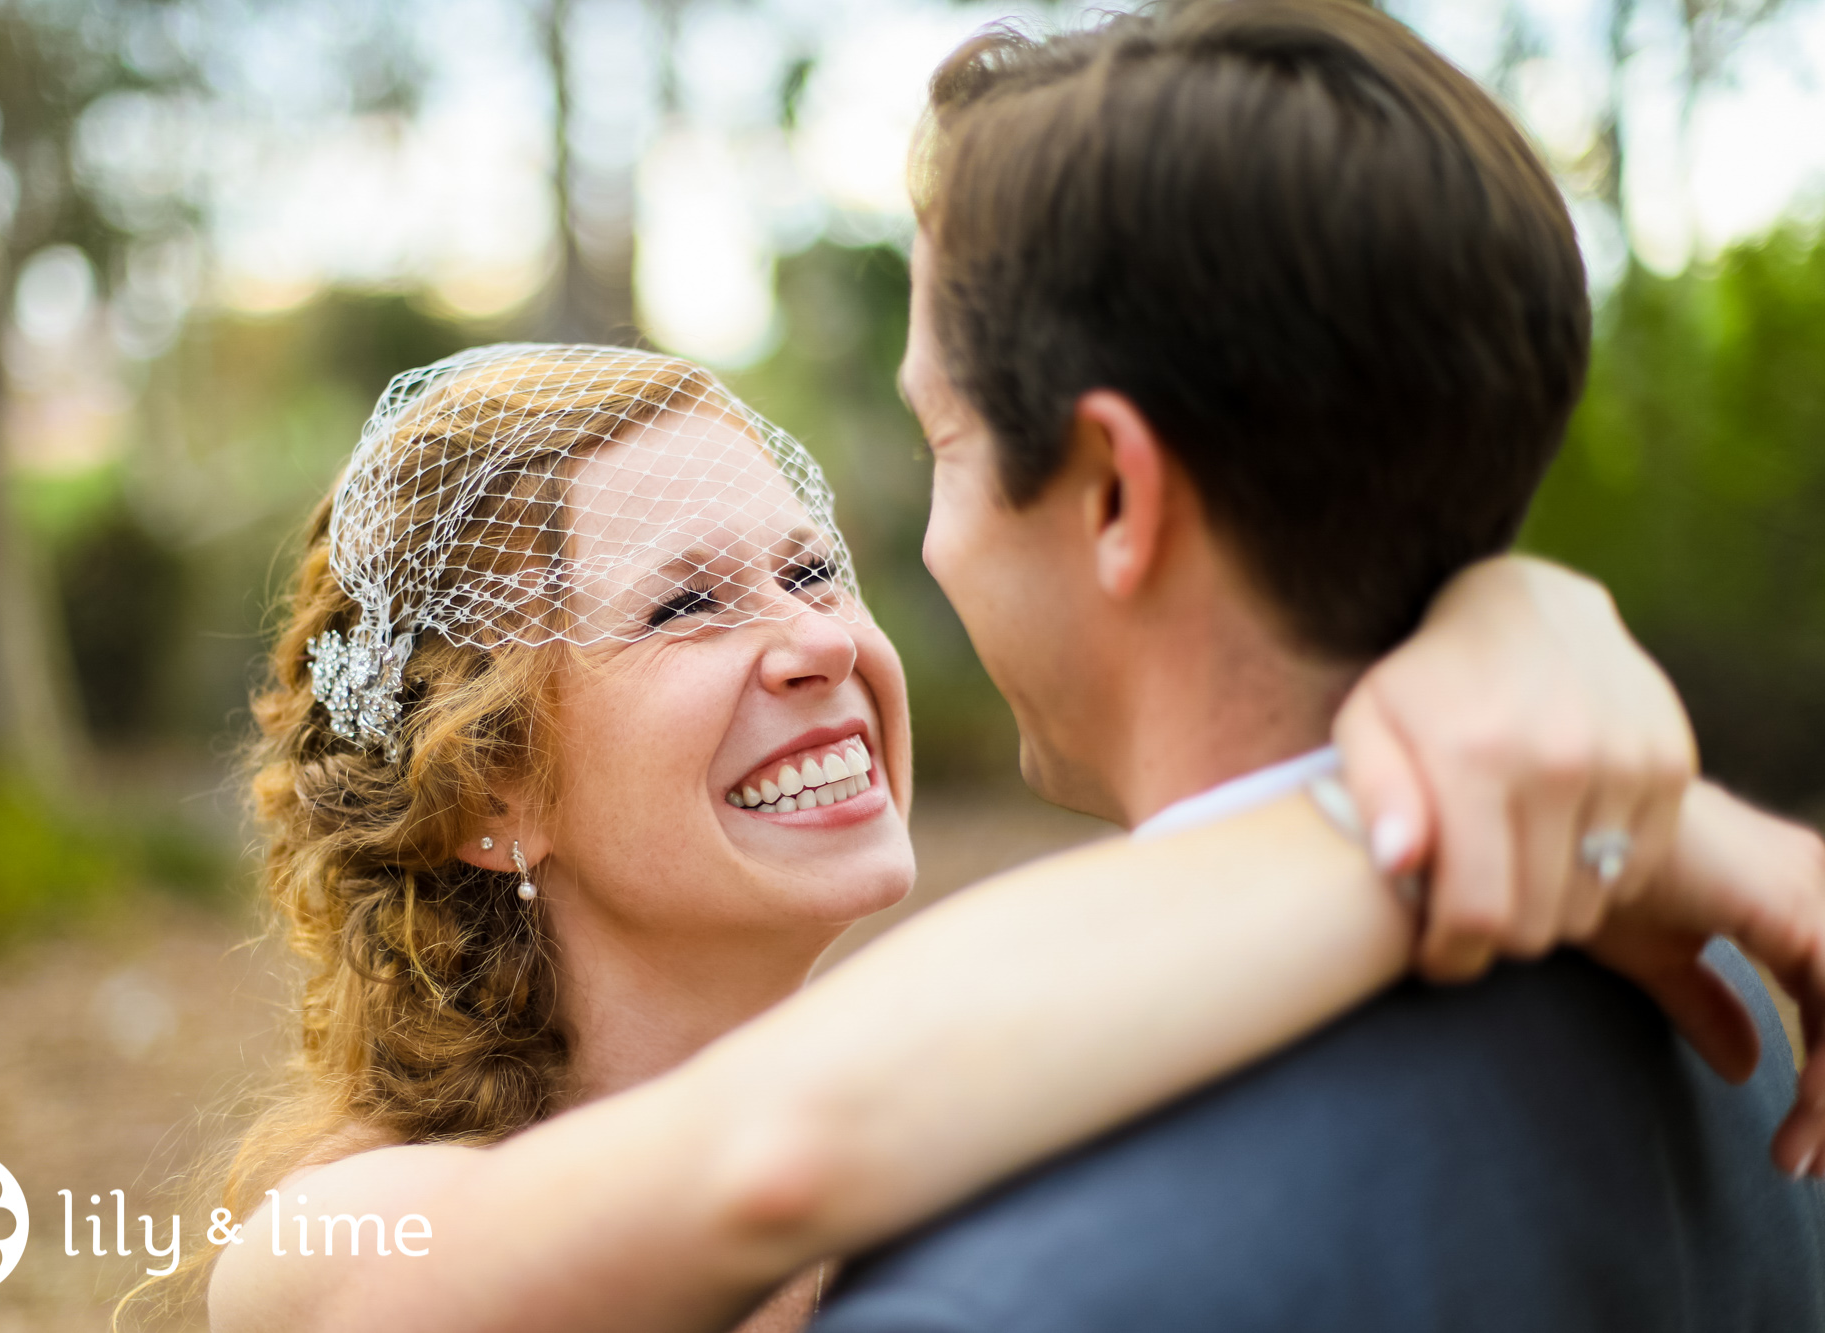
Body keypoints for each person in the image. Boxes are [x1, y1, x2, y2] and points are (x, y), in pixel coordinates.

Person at [194, 342, 1825, 1333]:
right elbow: (778, 1151)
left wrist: (1522, 624)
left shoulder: (1011, 1090)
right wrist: (1505, 771)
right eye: (687, 603)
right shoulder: (333, 1251)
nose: (818, 639)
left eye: (812, 569)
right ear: (490, 789)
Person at [812, 4, 1825, 1331]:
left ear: (1117, 492)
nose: (934, 545)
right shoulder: (1730, 990)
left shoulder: (998, 1274)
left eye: (938, 439)